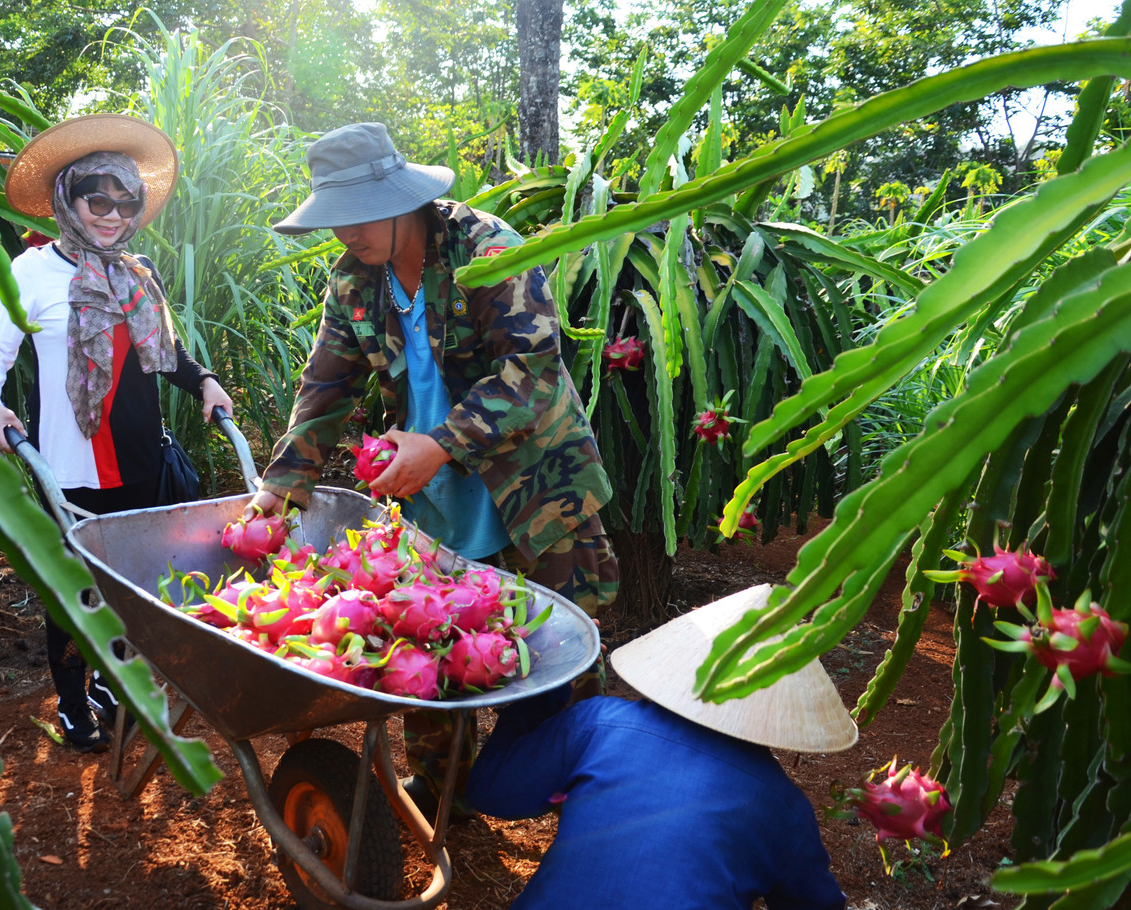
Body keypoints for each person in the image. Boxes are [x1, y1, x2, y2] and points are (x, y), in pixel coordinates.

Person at [249, 121, 618, 812]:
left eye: (358, 216)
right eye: (335, 220)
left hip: (532, 486)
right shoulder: (355, 279)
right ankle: (441, 786)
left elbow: (532, 371)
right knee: (424, 634)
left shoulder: (488, 248)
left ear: (401, 197)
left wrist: (441, 444)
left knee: (550, 653)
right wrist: (283, 481)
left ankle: (566, 796)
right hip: (431, 493)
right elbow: (325, 383)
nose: (345, 234)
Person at [0, 114, 234, 752]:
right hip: (70, 466)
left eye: (125, 201)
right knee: (75, 590)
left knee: (138, 585)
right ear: (69, 200)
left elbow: (164, 353)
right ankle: (70, 703)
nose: (112, 214)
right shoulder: (32, 273)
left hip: (142, 461)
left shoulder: (138, 273)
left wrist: (204, 381)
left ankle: (114, 686)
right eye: (98, 200)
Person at [466, 585, 856, 909]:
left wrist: (550, 680)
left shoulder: (599, 723)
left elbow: (492, 792)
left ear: (675, 662)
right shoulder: (784, 809)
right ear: (783, 710)